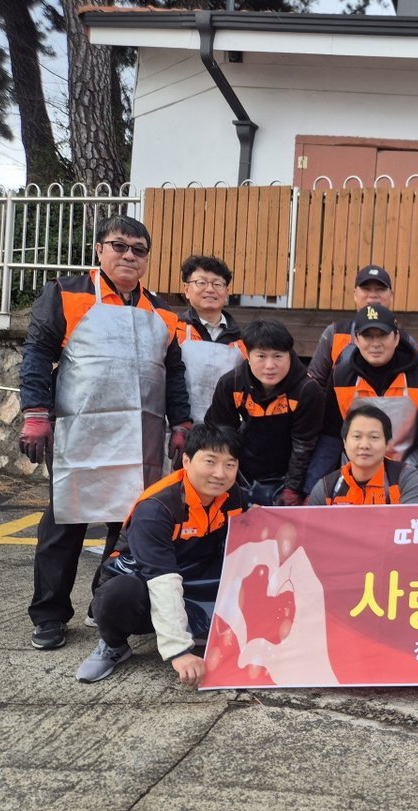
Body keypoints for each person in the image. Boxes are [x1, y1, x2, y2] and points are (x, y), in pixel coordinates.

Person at [19, 215, 190, 651]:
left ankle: (104, 602)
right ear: (99, 250)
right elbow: (37, 352)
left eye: (139, 250)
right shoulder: (66, 293)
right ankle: (49, 614)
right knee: (64, 524)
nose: (129, 255)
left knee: (127, 526)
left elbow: (173, 373)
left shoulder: (163, 312)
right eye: (119, 246)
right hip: (78, 431)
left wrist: (182, 423)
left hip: (139, 438)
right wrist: (35, 411)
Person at [75, 423, 245, 686]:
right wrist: (179, 651)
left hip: (192, 577)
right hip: (146, 580)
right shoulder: (157, 508)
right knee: (118, 594)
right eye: (210, 462)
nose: (220, 474)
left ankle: (198, 626)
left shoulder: (231, 496)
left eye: (229, 465)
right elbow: (161, 578)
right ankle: (114, 645)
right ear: (186, 461)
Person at [314, 304, 418, 500]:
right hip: (354, 483)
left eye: (382, 335)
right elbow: (331, 438)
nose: (375, 343)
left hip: (410, 482)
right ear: (356, 340)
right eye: (368, 336)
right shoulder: (340, 377)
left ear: (396, 338)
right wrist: (311, 488)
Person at [205, 319, 323, 507]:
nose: (270, 365)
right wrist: (228, 478)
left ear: (290, 355)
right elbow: (219, 434)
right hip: (243, 472)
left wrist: (293, 488)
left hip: (288, 475)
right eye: (261, 356)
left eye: (278, 356)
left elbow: (304, 444)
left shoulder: (307, 390)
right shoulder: (231, 384)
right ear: (247, 354)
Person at [173, 254, 246, 425]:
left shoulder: (243, 340)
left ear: (226, 292)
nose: (210, 289)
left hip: (227, 431)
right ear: (186, 289)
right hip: (180, 426)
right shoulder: (172, 330)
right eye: (202, 282)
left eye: (217, 284)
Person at [306, 405, 418, 505]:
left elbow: (413, 520)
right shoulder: (326, 488)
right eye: (357, 436)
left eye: (374, 437)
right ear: (345, 442)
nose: (364, 445)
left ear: (387, 444)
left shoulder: (404, 478)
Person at [306, 264, 396, 389]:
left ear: (391, 295)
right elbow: (314, 383)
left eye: (380, 289)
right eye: (366, 289)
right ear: (355, 294)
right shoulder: (334, 334)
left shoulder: (405, 340)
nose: (373, 295)